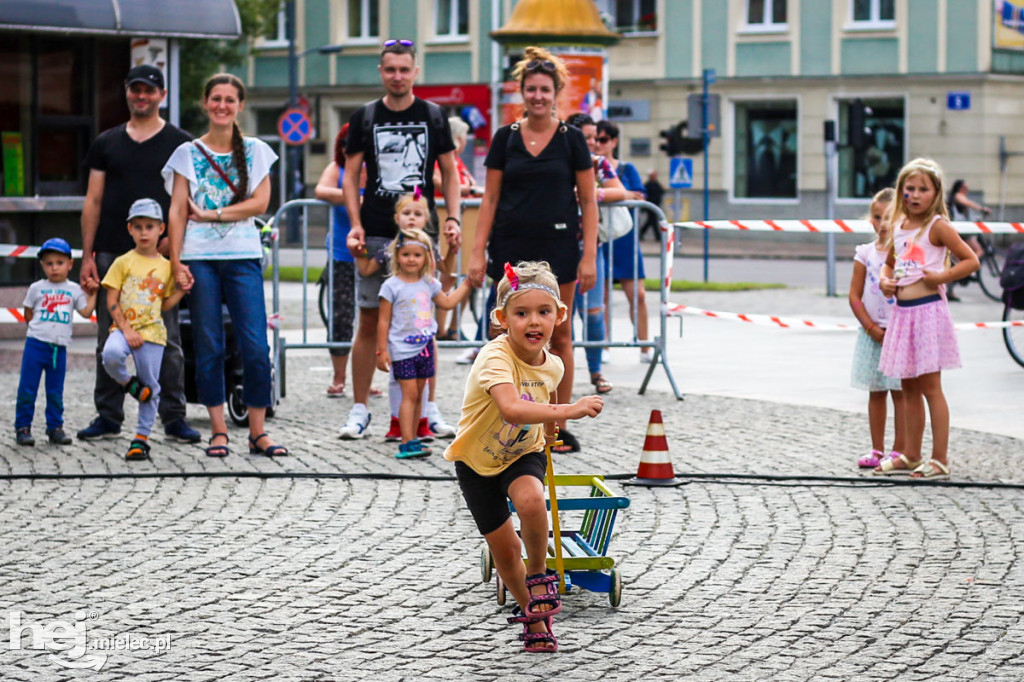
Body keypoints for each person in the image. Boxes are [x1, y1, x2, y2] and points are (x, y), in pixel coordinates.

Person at [443, 261, 603, 653]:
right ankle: (533, 614)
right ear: (501, 319)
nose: (534, 321)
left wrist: (551, 430)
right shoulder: (494, 358)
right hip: (475, 461)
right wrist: (570, 411)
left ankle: (538, 574)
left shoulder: (555, 364)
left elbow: (544, 397)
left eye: (543, 312)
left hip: (522, 453)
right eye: (522, 313)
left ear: (560, 316)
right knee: (504, 550)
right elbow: (513, 409)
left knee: (532, 500)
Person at [469, 47, 599, 454]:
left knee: (560, 334)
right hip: (510, 247)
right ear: (521, 92)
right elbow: (488, 200)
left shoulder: (572, 139)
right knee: (501, 333)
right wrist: (477, 253)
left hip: (559, 248)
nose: (538, 96)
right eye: (531, 89)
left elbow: (589, 200)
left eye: (545, 89)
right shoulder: (504, 139)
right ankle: (496, 422)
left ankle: (556, 425)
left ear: (557, 92)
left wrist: (589, 254)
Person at [339, 38, 463, 441]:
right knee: (370, 320)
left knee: (425, 324)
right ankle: (360, 410)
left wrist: (453, 219)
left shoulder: (433, 115)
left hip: (420, 233)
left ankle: (428, 409)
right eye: (390, 69)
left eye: (404, 69)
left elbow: (450, 172)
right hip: (376, 230)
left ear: (415, 72)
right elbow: (350, 175)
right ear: (381, 72)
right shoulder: (364, 117)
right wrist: (354, 223)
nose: (397, 76)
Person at [163, 73, 286, 458]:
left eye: (229, 100)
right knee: (209, 344)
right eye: (215, 98)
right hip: (200, 259)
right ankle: (219, 430)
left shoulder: (256, 150)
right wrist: (177, 261)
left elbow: (260, 203)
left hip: (243, 256)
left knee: (254, 346)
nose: (222, 105)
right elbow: (178, 210)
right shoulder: (187, 153)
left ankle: (257, 431)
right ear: (205, 103)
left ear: (240, 105)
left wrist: (215, 214)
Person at [78, 65, 200, 444]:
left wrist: (173, 245)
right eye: (135, 90)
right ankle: (109, 416)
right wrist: (86, 256)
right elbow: (93, 200)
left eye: (149, 90)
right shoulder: (106, 143)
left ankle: (173, 416)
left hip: (162, 257)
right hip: (113, 255)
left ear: (162, 95)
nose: (141, 96)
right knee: (108, 339)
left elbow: (189, 203)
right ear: (127, 93)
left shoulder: (182, 144)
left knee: (168, 339)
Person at [874, 159, 980, 479]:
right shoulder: (898, 226)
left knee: (931, 386)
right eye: (910, 189)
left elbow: (971, 260)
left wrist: (942, 276)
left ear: (935, 193)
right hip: (903, 316)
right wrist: (884, 279)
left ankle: (939, 458)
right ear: (902, 192)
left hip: (928, 313)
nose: (916, 195)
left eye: (923, 189)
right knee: (907, 387)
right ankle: (910, 453)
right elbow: (889, 263)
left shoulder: (937, 226)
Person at [374, 209, 473, 458]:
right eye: (406, 254)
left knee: (421, 394)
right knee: (409, 394)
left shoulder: (429, 283)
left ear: (426, 257)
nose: (411, 259)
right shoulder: (391, 286)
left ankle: (415, 437)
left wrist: (467, 284)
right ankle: (406, 441)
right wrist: (382, 350)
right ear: (397, 255)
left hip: (425, 347)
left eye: (417, 255)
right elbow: (383, 321)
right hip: (402, 350)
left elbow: (447, 303)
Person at [100, 199, 187, 461]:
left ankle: (141, 438)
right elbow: (111, 300)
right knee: (110, 355)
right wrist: (126, 330)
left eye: (149, 226)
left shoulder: (166, 266)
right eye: (138, 227)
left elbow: (166, 304)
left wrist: (182, 289)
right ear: (130, 230)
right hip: (124, 329)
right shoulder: (122, 262)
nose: (144, 232)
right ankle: (128, 383)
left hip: (153, 333)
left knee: (152, 386)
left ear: (161, 229)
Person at [565, 113, 628, 397]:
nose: (592, 143)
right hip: (558, 247)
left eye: (594, 137)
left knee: (593, 312)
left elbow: (619, 191)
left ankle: (595, 371)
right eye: (587, 137)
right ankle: (559, 374)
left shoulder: (597, 163)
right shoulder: (557, 159)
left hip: (591, 247)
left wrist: (590, 194)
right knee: (558, 315)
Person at [15, 239, 98, 446]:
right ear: (42, 265)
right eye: (49, 263)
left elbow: (86, 312)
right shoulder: (36, 288)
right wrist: (38, 330)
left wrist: (94, 293)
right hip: (35, 345)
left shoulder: (73, 290)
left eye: (59, 263)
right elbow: (28, 312)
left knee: (55, 391)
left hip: (58, 349)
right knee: (27, 388)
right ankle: (23, 427)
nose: (54, 268)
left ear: (70, 264)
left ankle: (55, 427)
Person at [848, 188, 905, 469]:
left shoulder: (905, 253)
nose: (882, 223)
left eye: (888, 217)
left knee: (901, 392)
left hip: (899, 335)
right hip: (873, 335)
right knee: (877, 391)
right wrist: (870, 327)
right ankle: (878, 448)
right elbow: (854, 296)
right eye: (877, 217)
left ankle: (901, 449)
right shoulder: (865, 253)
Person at [595, 120, 652, 364]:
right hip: (600, 238)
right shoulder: (589, 167)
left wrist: (620, 195)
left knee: (637, 294)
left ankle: (644, 346)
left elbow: (640, 196)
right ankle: (604, 345)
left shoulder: (626, 169)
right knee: (603, 296)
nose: (598, 144)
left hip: (625, 240)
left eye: (603, 139)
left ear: (614, 142)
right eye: (595, 139)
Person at [314, 123, 358, 397]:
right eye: (345, 144)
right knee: (341, 318)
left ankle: (370, 377)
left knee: (375, 321)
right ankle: (339, 376)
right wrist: (353, 197)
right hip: (342, 255)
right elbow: (321, 190)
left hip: (378, 256)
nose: (349, 149)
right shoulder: (337, 168)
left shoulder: (377, 170)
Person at [946, 179, 991, 302]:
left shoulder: (959, 198)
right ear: (960, 188)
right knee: (978, 250)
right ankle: (966, 270)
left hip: (960, 230)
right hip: (962, 231)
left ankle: (952, 288)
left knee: (955, 260)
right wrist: (981, 209)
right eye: (965, 187)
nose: (967, 189)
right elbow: (968, 203)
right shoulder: (958, 196)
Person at [639, 170, 665, 242]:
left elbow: (661, 192)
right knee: (653, 221)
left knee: (650, 221)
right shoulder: (648, 184)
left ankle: (640, 234)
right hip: (650, 206)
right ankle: (658, 237)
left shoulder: (657, 183)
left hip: (656, 205)